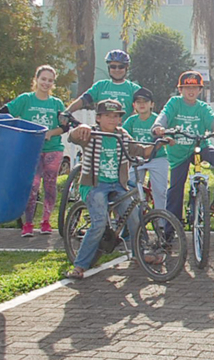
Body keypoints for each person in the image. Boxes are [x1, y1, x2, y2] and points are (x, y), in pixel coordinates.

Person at [63, 100, 158, 279]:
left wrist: (160, 144)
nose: (112, 120)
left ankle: (138, 253)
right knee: (98, 224)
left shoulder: (122, 135)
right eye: (107, 116)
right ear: (98, 118)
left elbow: (139, 150)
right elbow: (73, 137)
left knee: (134, 217)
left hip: (117, 184)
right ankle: (80, 265)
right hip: (95, 185)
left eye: (116, 116)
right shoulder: (91, 134)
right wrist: (80, 128)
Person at [153, 71, 214, 227]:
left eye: (194, 87)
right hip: (179, 153)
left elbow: (213, 120)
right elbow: (164, 116)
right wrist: (159, 126)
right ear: (180, 89)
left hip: (200, 147)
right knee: (175, 190)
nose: (190, 91)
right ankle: (171, 229)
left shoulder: (202, 108)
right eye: (186, 87)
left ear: (200, 90)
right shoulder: (174, 103)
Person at [0, 65, 66, 236]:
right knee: (32, 186)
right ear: (36, 80)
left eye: (50, 80)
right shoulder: (26, 99)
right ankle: (27, 223)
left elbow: (65, 126)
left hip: (53, 149)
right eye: (43, 79)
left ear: (53, 83)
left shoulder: (56, 103)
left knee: (50, 185)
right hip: (31, 149)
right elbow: (6, 111)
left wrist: (51, 132)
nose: (46, 83)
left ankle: (46, 222)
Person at [122, 88, 169, 211]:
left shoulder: (157, 120)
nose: (142, 104)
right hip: (136, 159)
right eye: (138, 102)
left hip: (158, 157)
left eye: (145, 101)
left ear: (152, 104)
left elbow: (166, 135)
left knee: (160, 191)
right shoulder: (131, 121)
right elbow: (122, 136)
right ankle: (134, 221)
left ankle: (161, 222)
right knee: (130, 189)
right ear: (134, 105)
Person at [65, 49, 142, 117]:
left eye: (121, 67)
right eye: (113, 67)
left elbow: (141, 111)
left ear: (126, 68)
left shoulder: (134, 89)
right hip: (101, 130)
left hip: (124, 131)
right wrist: (67, 112)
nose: (117, 70)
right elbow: (82, 100)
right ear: (109, 68)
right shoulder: (100, 86)